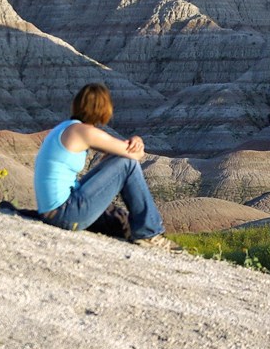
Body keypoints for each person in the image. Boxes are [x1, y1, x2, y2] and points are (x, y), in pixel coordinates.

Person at [33, 83, 181, 252]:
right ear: (104, 109)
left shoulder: (66, 127)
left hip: (54, 210)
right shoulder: (84, 132)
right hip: (64, 214)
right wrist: (136, 144)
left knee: (122, 161)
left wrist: (135, 140)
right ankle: (149, 233)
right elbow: (134, 156)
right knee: (128, 164)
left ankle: (145, 230)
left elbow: (117, 152)